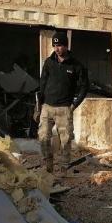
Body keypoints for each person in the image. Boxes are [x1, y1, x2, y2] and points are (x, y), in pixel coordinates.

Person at [35, 31, 88, 172]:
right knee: (43, 137)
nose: (57, 49)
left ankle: (64, 168)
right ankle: (48, 166)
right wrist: (39, 106)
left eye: (60, 45)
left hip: (64, 108)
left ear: (66, 46)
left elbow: (84, 86)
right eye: (55, 46)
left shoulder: (76, 65)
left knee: (65, 140)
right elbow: (42, 84)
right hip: (47, 107)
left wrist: (74, 105)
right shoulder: (48, 62)